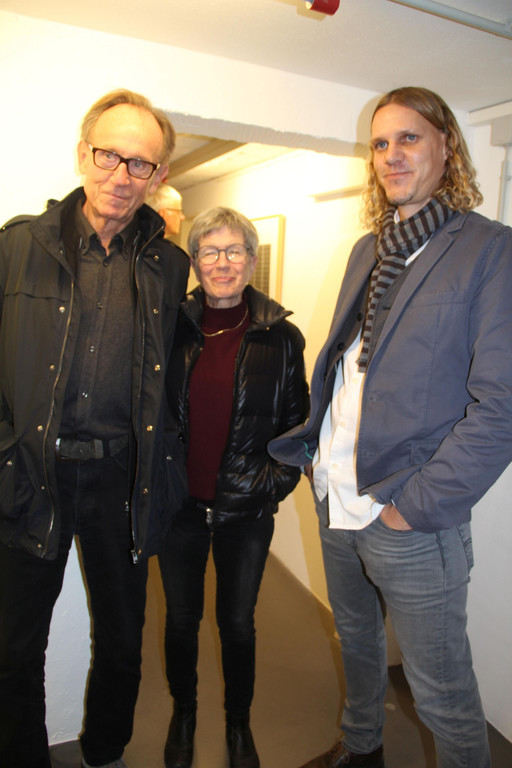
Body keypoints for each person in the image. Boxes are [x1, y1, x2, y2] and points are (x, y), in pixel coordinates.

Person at [268, 86, 512, 768]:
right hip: (334, 493)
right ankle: (362, 747)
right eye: (380, 143)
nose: (392, 154)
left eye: (409, 138)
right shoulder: (367, 250)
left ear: (446, 147)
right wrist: (317, 458)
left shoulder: (488, 250)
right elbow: (351, 367)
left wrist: (415, 507)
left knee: (443, 694)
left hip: (405, 510)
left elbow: (502, 404)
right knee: (357, 638)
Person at [0, 89, 189, 768]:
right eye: (109, 155)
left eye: (141, 164)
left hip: (121, 479)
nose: (121, 175)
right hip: (31, 475)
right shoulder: (17, 245)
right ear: (84, 153)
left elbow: (173, 376)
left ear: (158, 175)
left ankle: (105, 752)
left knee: (121, 639)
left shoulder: (168, 265)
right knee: (14, 647)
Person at [158, 207, 309, 768]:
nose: (222, 263)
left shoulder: (282, 338)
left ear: (251, 259)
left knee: (238, 624)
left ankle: (238, 723)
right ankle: (184, 713)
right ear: (195, 261)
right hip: (180, 508)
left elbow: (298, 428)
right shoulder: (170, 328)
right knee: (180, 620)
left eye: (234, 251)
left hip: (246, 512)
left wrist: (269, 487)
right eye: (210, 252)